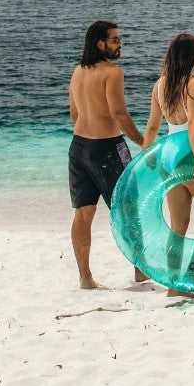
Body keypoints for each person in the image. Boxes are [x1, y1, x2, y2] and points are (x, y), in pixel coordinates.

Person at [142, 32, 194, 293]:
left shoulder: (159, 85)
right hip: (189, 154)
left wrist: (148, 153)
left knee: (178, 225)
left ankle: (173, 285)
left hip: (168, 155)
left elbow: (154, 124)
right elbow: (193, 125)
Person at [67, 19, 146, 289]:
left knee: (83, 213)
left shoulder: (78, 71)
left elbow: (74, 114)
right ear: (99, 43)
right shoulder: (113, 73)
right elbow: (119, 113)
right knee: (129, 208)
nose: (120, 44)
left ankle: (85, 278)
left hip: (79, 147)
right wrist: (142, 141)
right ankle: (141, 271)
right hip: (108, 148)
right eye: (115, 39)